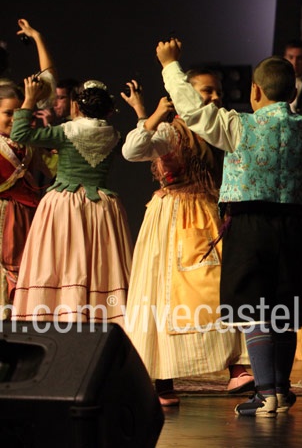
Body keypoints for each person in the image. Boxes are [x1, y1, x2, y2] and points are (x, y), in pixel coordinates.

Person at [157, 37, 302, 417]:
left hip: (250, 225)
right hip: (294, 225)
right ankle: (281, 390)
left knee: (255, 309)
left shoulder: (236, 125)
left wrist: (170, 66)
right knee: (283, 309)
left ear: (255, 91)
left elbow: (192, 111)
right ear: (293, 93)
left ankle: (266, 392)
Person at [120, 73, 253, 407]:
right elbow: (133, 150)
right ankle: (162, 379)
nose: (215, 97)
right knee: (162, 292)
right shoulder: (173, 130)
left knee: (222, 287)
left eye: (218, 91)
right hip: (175, 215)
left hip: (209, 212)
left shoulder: (220, 128)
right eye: (207, 91)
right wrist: (150, 115)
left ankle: (237, 367)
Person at [11, 77, 132, 323]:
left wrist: (30, 100)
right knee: (99, 266)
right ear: (108, 110)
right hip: (101, 207)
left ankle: (58, 313)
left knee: (62, 260)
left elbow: (20, 133)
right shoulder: (114, 135)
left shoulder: (67, 132)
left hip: (65, 205)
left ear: (76, 106)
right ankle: (98, 316)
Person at [0, 83, 53, 317]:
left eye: (18, 113)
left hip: (26, 216)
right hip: (3, 215)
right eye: (7, 113)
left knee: (24, 267)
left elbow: (52, 167)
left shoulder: (29, 147)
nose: (13, 119)